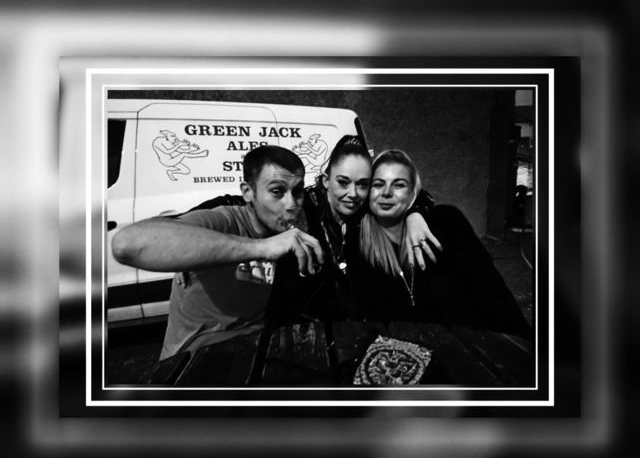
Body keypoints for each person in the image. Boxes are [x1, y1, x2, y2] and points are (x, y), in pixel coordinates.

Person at [188, 135, 442, 324]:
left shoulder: (361, 208)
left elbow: (409, 193)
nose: (353, 193)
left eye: (363, 184)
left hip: (346, 328)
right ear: (326, 181)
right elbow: (236, 202)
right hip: (294, 328)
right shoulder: (303, 204)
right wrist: (191, 234)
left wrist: (416, 214)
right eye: (343, 182)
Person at [112, 145, 324, 360]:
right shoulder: (224, 221)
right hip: (195, 359)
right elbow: (126, 244)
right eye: (277, 191)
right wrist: (262, 248)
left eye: (298, 192)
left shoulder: (289, 232)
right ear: (248, 192)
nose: (291, 204)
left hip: (254, 348)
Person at [353, 149, 533, 341]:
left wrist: (525, 345)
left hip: (471, 346)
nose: (387, 193)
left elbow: (492, 292)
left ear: (413, 192)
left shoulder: (447, 223)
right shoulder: (358, 243)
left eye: (399, 185)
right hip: (403, 354)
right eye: (378, 184)